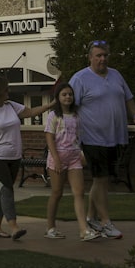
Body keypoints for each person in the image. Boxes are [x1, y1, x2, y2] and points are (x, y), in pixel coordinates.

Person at [68, 39, 135, 240]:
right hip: (92, 138)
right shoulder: (80, 79)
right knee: (101, 179)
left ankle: (92, 217)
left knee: (102, 180)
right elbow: (69, 108)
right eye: (98, 56)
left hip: (115, 137)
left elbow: (128, 98)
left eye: (105, 55)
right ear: (90, 58)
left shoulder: (116, 75)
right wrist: (70, 136)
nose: (102, 59)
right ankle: (105, 222)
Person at [0, 76, 52, 241]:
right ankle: (14, 226)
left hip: (13, 157)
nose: (8, 92)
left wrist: (51, 105)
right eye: (5, 89)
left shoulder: (11, 106)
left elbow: (30, 112)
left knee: (0, 191)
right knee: (7, 190)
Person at [43, 83, 100, 241]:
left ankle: (83, 230)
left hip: (74, 157)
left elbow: (79, 136)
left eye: (70, 94)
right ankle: (50, 227)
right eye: (64, 94)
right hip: (58, 158)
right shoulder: (53, 116)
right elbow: (49, 137)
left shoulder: (76, 115)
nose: (67, 97)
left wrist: (82, 153)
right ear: (58, 98)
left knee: (79, 192)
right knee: (57, 193)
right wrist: (56, 159)